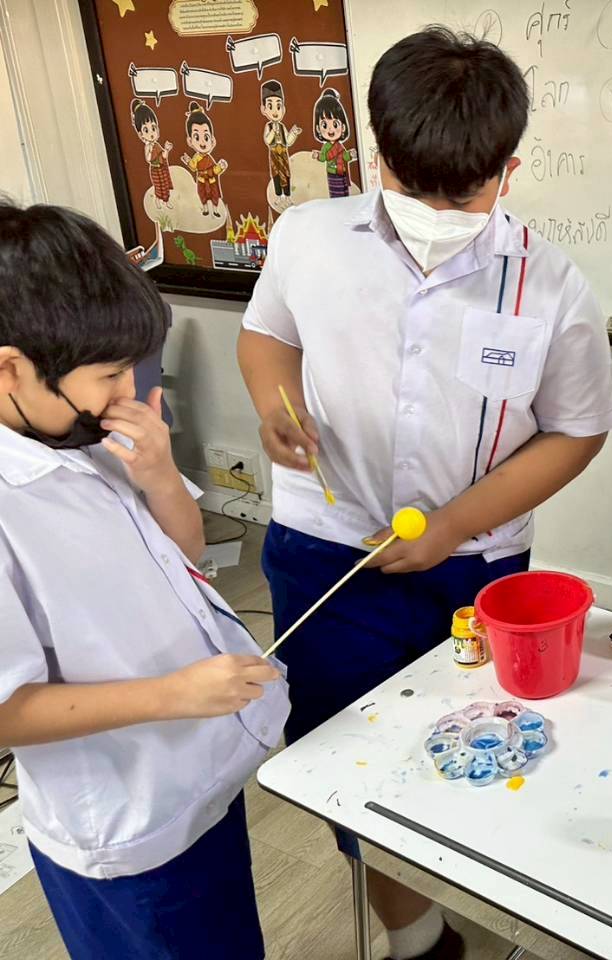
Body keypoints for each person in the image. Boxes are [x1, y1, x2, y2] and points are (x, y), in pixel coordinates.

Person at [237, 26, 612, 959]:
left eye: (468, 194)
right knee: (343, 758)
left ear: (509, 170)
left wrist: (452, 526)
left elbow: (576, 430)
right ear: (379, 157)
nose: (440, 214)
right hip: (327, 551)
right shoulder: (308, 238)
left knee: (484, 748)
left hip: (474, 571)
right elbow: (267, 335)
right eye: (416, 190)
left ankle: (486, 895)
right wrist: (274, 406)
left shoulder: (553, 288)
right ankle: (415, 935)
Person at [0, 201, 288, 960]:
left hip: (193, 777)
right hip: (125, 824)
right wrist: (173, 695)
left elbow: (187, 555)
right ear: (10, 368)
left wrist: (160, 475)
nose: (126, 390)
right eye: (106, 375)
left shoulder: (81, 434)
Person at [179, 102, 227, 217]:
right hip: (201, 180)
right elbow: (194, 167)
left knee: (214, 195)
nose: (202, 143)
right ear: (190, 141)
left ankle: (215, 210)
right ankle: (205, 209)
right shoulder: (196, 157)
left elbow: (214, 170)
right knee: (202, 195)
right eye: (197, 137)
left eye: (206, 137)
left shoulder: (209, 158)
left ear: (212, 140)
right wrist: (188, 161)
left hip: (211, 181)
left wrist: (220, 167)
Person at [310, 88, 355, 199]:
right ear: (318, 128)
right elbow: (324, 157)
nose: (330, 129)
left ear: (343, 127)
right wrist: (317, 156)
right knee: (335, 194)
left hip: (342, 172)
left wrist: (350, 155)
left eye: (335, 124)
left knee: (344, 192)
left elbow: (344, 156)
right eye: (325, 125)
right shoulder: (326, 146)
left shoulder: (340, 146)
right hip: (332, 173)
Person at [261, 79, 301, 202]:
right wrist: (273, 132)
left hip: (283, 153)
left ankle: (287, 196)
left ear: (283, 109)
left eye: (278, 106)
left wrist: (293, 133)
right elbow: (268, 140)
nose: (275, 111)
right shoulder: (269, 126)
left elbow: (287, 141)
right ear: (264, 109)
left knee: (286, 174)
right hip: (274, 154)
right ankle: (279, 196)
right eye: (270, 106)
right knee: (276, 175)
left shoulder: (282, 126)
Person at [129, 99, 173, 208]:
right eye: (146, 130)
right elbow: (148, 159)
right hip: (155, 170)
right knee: (158, 186)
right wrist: (150, 150)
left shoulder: (157, 145)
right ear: (141, 134)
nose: (151, 133)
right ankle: (158, 199)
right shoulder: (148, 146)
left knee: (165, 185)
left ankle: (166, 201)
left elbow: (163, 156)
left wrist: (166, 150)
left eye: (153, 128)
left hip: (162, 168)